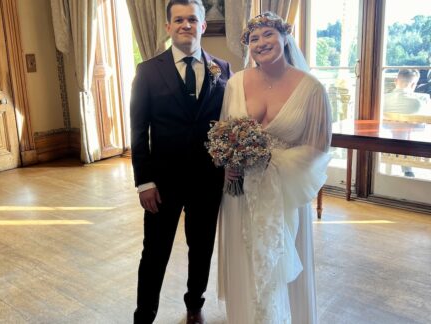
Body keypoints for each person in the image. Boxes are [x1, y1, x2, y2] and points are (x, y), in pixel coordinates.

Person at [217, 12, 332, 323]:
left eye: (268, 34)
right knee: (244, 255)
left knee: (281, 259)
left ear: (285, 37)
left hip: (285, 192)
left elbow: (320, 146)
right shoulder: (236, 83)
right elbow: (226, 131)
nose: (261, 42)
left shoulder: (311, 88)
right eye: (253, 38)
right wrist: (227, 163)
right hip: (241, 189)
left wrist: (274, 164)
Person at [130, 0, 232, 323]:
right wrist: (144, 181)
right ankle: (144, 314)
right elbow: (137, 130)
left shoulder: (223, 69)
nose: (185, 25)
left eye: (192, 19)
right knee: (155, 253)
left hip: (207, 180)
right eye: (178, 20)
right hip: (162, 183)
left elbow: (228, 123)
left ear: (202, 26)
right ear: (168, 27)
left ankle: (194, 304)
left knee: (201, 248)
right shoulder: (147, 71)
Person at [383, 69, 430, 177]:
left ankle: (405, 169)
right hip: (415, 151)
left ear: (396, 80)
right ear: (414, 84)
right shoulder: (420, 102)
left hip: (387, 147)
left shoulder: (382, 99)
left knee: (399, 131)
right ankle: (407, 169)